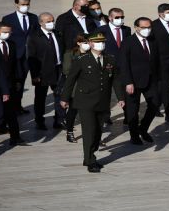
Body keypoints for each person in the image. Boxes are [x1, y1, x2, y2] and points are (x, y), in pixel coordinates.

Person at [61, 32, 125, 173]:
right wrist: (64, 98)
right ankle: (90, 160)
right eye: (97, 41)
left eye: (102, 41)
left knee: (97, 131)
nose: (100, 44)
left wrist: (121, 98)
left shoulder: (109, 59)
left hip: (103, 101)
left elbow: (116, 79)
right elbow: (70, 80)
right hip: (85, 101)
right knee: (89, 131)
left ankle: (90, 155)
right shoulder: (82, 60)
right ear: (90, 43)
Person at [119, 17, 160, 145]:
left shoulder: (153, 40)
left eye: (149, 27)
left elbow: (156, 60)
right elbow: (123, 64)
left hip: (150, 80)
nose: (147, 30)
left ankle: (143, 128)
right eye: (143, 28)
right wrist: (128, 82)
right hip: (133, 82)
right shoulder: (128, 42)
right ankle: (134, 135)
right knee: (132, 110)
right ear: (136, 27)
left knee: (155, 104)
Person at [26, 12, 66, 130]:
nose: (51, 23)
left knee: (60, 94)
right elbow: (31, 58)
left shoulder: (57, 34)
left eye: (52, 20)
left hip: (58, 69)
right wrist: (35, 75)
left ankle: (59, 120)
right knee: (40, 97)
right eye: (48, 21)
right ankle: (39, 121)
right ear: (40, 23)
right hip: (42, 72)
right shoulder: (34, 37)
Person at [2, 0, 38, 115]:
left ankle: (18, 106)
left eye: (27, 4)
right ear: (16, 4)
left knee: (21, 82)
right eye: (23, 4)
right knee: (14, 82)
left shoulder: (34, 18)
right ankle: (11, 107)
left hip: (29, 56)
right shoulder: (8, 19)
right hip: (15, 56)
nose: (25, 6)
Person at [0, 23, 23, 146]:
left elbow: (15, 64)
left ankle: (15, 137)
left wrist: (18, 80)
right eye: (4, 32)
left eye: (9, 32)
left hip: (9, 84)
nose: (7, 34)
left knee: (11, 112)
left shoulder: (11, 44)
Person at [62, 34, 91, 143]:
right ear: (78, 43)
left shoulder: (91, 53)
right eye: (85, 42)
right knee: (73, 111)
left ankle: (93, 135)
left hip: (90, 87)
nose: (87, 45)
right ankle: (69, 132)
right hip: (76, 87)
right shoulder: (70, 54)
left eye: (89, 42)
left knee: (90, 112)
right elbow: (66, 71)